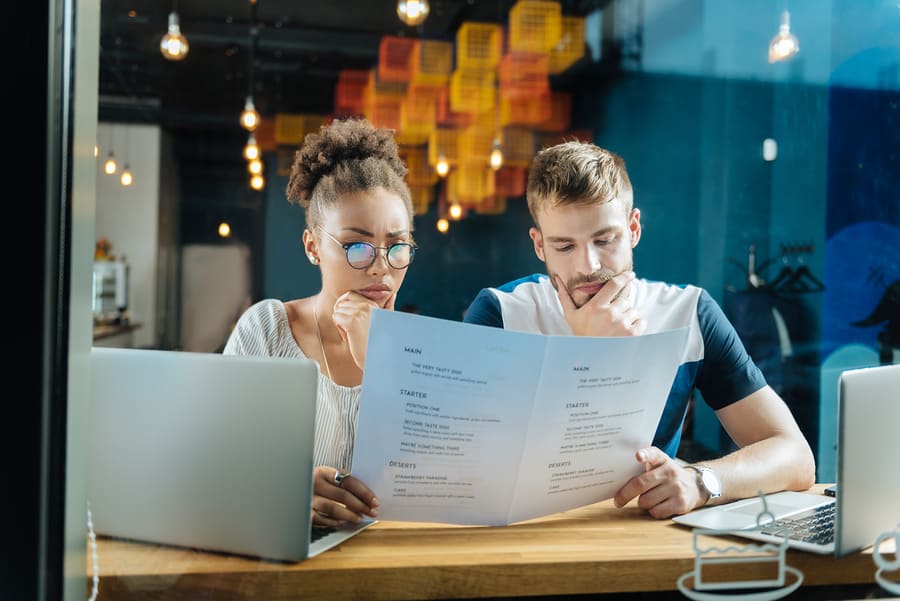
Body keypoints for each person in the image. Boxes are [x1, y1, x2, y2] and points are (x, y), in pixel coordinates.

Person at [463, 141, 815, 519]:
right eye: (564, 246)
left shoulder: (689, 315)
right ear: (539, 246)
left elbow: (795, 456)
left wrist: (701, 481)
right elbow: (467, 466)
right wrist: (588, 356)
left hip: (646, 535)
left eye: (604, 240)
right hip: (524, 537)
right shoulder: (501, 314)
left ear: (633, 229)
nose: (589, 265)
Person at [223, 117, 418, 528]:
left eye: (397, 246)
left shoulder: (422, 348)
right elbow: (219, 460)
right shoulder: (267, 331)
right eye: (357, 247)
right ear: (313, 246)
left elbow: (435, 480)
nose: (381, 268)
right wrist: (283, 488)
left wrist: (377, 359)